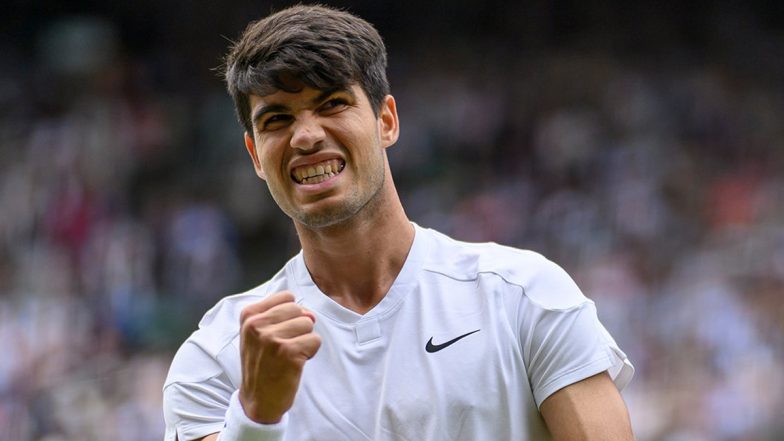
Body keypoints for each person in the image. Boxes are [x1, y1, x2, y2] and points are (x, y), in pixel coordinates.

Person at [162, 4, 635, 440]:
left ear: (386, 120)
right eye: (276, 119)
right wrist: (256, 418)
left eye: (332, 104)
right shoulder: (217, 358)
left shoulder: (524, 297)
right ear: (255, 156)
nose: (306, 136)